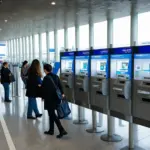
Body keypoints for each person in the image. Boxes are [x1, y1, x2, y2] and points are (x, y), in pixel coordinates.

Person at [42, 64, 67, 138]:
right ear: (51, 69)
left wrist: (43, 97)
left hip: (49, 99)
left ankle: (61, 130)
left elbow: (44, 89)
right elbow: (60, 86)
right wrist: (62, 93)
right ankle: (51, 130)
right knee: (51, 114)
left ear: (45, 70)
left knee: (52, 114)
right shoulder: (56, 76)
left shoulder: (46, 78)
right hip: (56, 98)